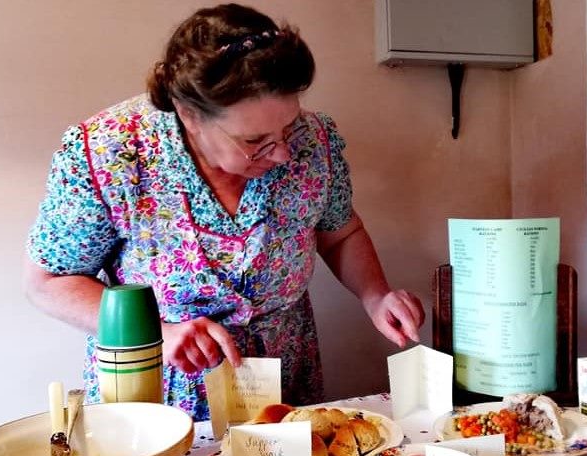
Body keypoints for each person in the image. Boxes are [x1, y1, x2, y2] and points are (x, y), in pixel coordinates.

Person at [24, 4, 425, 421]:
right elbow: (47, 282)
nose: (284, 152)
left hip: (285, 384)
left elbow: (339, 232)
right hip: (157, 395)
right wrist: (159, 334)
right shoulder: (111, 152)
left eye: (288, 127)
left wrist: (376, 295)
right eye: (256, 140)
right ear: (190, 116)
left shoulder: (314, 140)